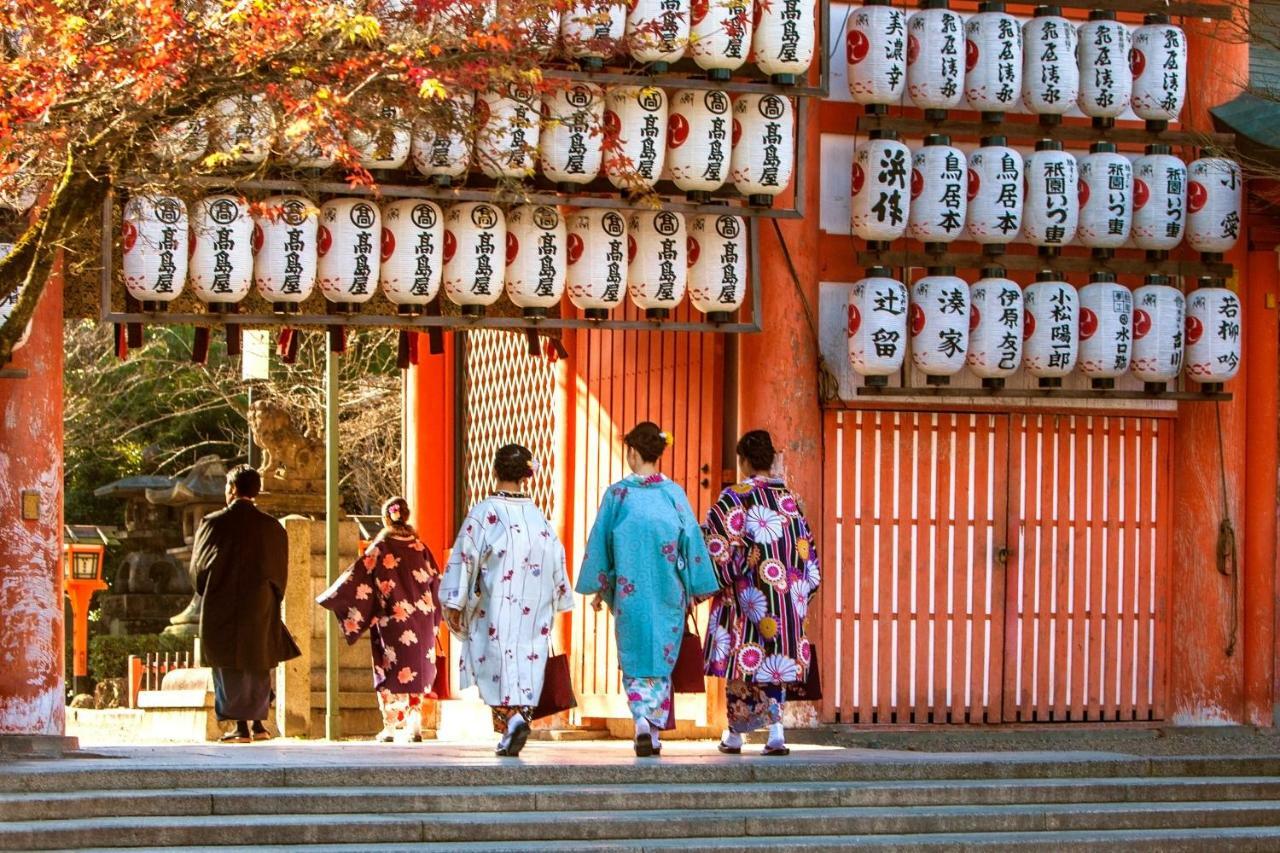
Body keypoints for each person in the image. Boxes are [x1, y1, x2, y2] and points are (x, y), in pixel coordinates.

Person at [574, 422, 720, 757]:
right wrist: (695, 585)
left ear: (632, 452)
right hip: (668, 589)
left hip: (630, 590)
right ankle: (652, 731)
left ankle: (642, 720)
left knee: (635, 654)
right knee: (661, 654)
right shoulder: (674, 495)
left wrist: (601, 583)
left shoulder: (618, 495)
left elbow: (601, 542)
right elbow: (691, 541)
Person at [440, 445, 573, 757]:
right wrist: (559, 596)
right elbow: (557, 559)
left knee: (494, 665)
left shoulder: (485, 512)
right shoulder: (539, 517)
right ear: (526, 476)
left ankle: (511, 721)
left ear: (495, 471)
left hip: (496, 603)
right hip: (534, 606)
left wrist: (455, 601)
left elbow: (466, 556)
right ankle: (516, 723)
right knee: (526, 666)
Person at [701, 430, 821, 757]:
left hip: (748, 596)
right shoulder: (789, 501)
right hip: (786, 595)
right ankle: (776, 732)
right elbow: (808, 554)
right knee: (776, 662)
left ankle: (736, 735)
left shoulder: (735, 497)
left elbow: (719, 548)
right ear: (772, 459)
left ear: (743, 461)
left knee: (746, 659)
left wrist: (703, 577)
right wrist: (797, 592)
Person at [317, 496, 443, 743]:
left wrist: (333, 597)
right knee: (416, 668)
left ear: (386, 518)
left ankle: (392, 726)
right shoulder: (421, 548)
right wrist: (435, 619)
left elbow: (358, 578)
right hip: (422, 619)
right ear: (406, 516)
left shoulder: (380, 548)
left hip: (392, 618)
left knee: (390, 669)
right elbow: (436, 585)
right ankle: (415, 720)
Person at [193, 464, 301, 743]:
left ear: (231, 489)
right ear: (256, 491)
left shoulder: (213, 523)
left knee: (230, 665)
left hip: (222, 603)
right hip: (260, 603)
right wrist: (270, 596)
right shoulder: (273, 528)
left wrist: (208, 588)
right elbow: (280, 574)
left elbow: (199, 569)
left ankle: (239, 727)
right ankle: (259, 726)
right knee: (257, 662)